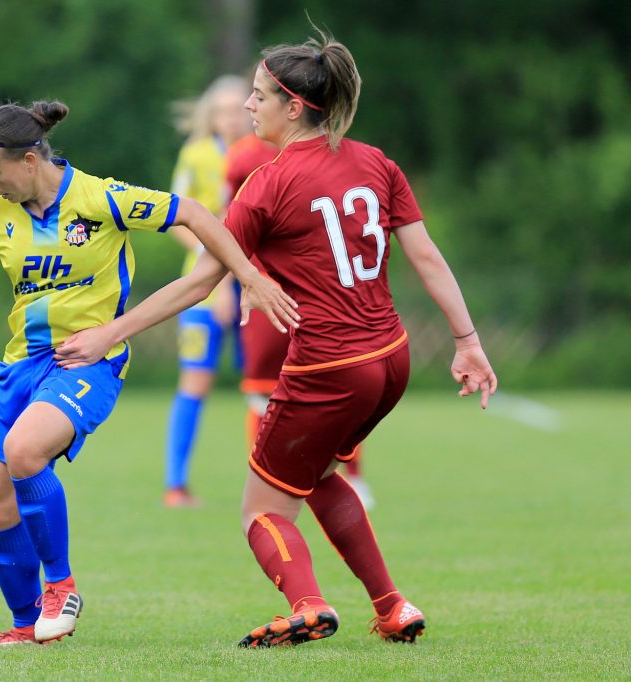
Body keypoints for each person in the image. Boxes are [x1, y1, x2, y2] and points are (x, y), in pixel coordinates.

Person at [55, 31, 497, 648]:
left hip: (329, 365)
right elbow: (425, 257)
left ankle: (309, 605)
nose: (247, 107)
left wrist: (113, 332)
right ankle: (392, 606)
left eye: (259, 96)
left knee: (260, 509)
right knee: (314, 475)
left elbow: (201, 283)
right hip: (391, 358)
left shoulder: (267, 182)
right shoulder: (377, 163)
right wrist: (467, 341)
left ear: (294, 107)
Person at [0, 101, 297, 648]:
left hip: (86, 361)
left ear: (31, 160)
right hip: (19, 364)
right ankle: (25, 623)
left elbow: (196, 214)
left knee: (24, 451)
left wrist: (247, 276)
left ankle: (60, 586)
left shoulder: (98, 197)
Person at [228, 133, 377, 511]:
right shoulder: (244, 158)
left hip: (322, 292)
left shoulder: (337, 155)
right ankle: (265, 478)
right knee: (263, 390)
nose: (248, 107)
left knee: (341, 385)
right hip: (265, 287)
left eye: (259, 97)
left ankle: (351, 476)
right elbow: (224, 221)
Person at [163, 75, 253, 508]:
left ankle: (277, 482)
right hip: (201, 289)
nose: (232, 117)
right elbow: (176, 216)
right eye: (223, 110)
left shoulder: (263, 154)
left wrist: (238, 280)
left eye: (240, 108)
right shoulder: (196, 156)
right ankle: (176, 484)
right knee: (195, 382)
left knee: (266, 387)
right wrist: (216, 269)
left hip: (255, 288)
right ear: (211, 115)